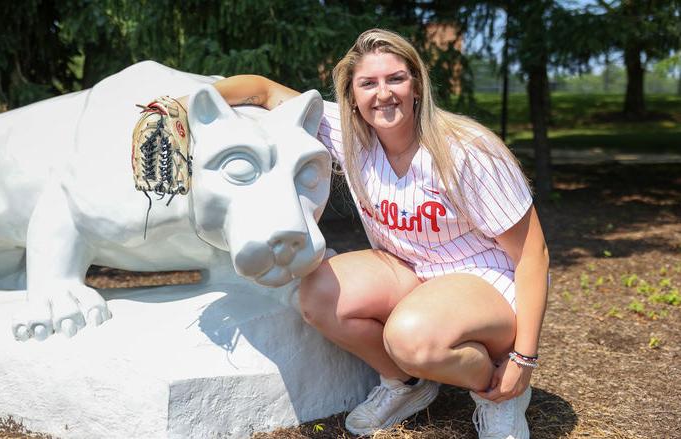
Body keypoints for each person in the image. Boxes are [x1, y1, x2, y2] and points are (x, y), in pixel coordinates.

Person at [191, 28, 549, 438]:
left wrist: (525, 357)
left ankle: (498, 391)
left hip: (487, 280)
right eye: (368, 83)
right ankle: (406, 383)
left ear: (416, 85)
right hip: (411, 271)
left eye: (396, 78)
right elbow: (263, 90)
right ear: (352, 96)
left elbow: (533, 255)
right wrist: (178, 107)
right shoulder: (350, 134)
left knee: (411, 338)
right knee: (318, 295)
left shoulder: (467, 150)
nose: (383, 94)